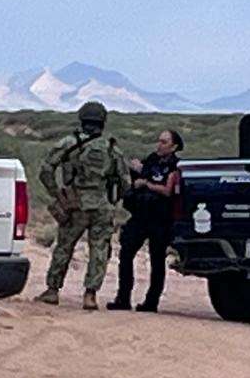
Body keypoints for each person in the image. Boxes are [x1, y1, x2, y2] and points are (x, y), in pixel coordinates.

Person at [33, 101, 131, 310]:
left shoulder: (69, 143)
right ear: (102, 122)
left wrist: (57, 194)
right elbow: (125, 182)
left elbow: (46, 170)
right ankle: (90, 295)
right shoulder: (112, 148)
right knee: (99, 250)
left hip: (74, 204)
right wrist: (112, 199)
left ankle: (52, 290)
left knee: (64, 247)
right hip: (101, 206)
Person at [107, 129, 184, 312]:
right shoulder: (151, 160)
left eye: (164, 142)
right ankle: (123, 297)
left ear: (173, 146)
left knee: (156, 260)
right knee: (126, 253)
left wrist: (147, 184)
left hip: (160, 219)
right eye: (159, 141)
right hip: (141, 215)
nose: (160, 144)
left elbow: (167, 190)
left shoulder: (175, 166)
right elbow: (141, 174)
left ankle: (151, 301)